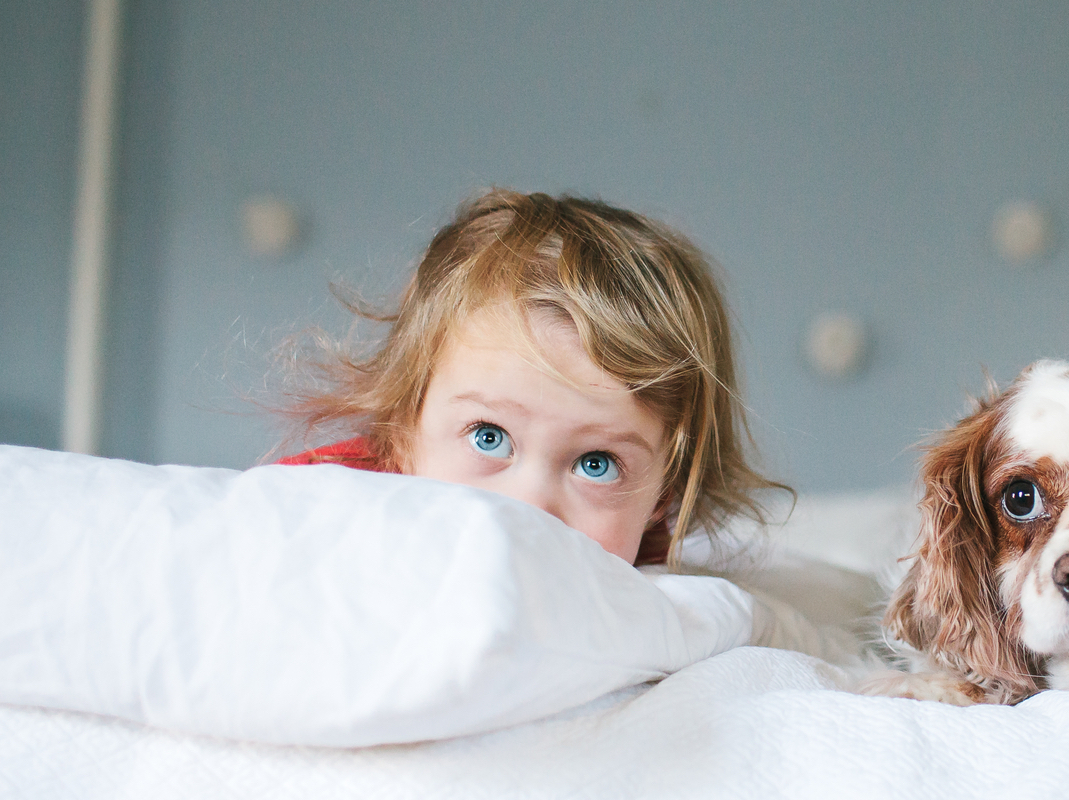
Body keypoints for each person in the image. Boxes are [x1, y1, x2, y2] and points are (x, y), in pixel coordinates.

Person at [277, 188, 782, 568]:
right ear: (402, 432)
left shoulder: (641, 589)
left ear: (662, 497)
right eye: (488, 437)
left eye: (597, 464)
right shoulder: (324, 513)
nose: (530, 509)